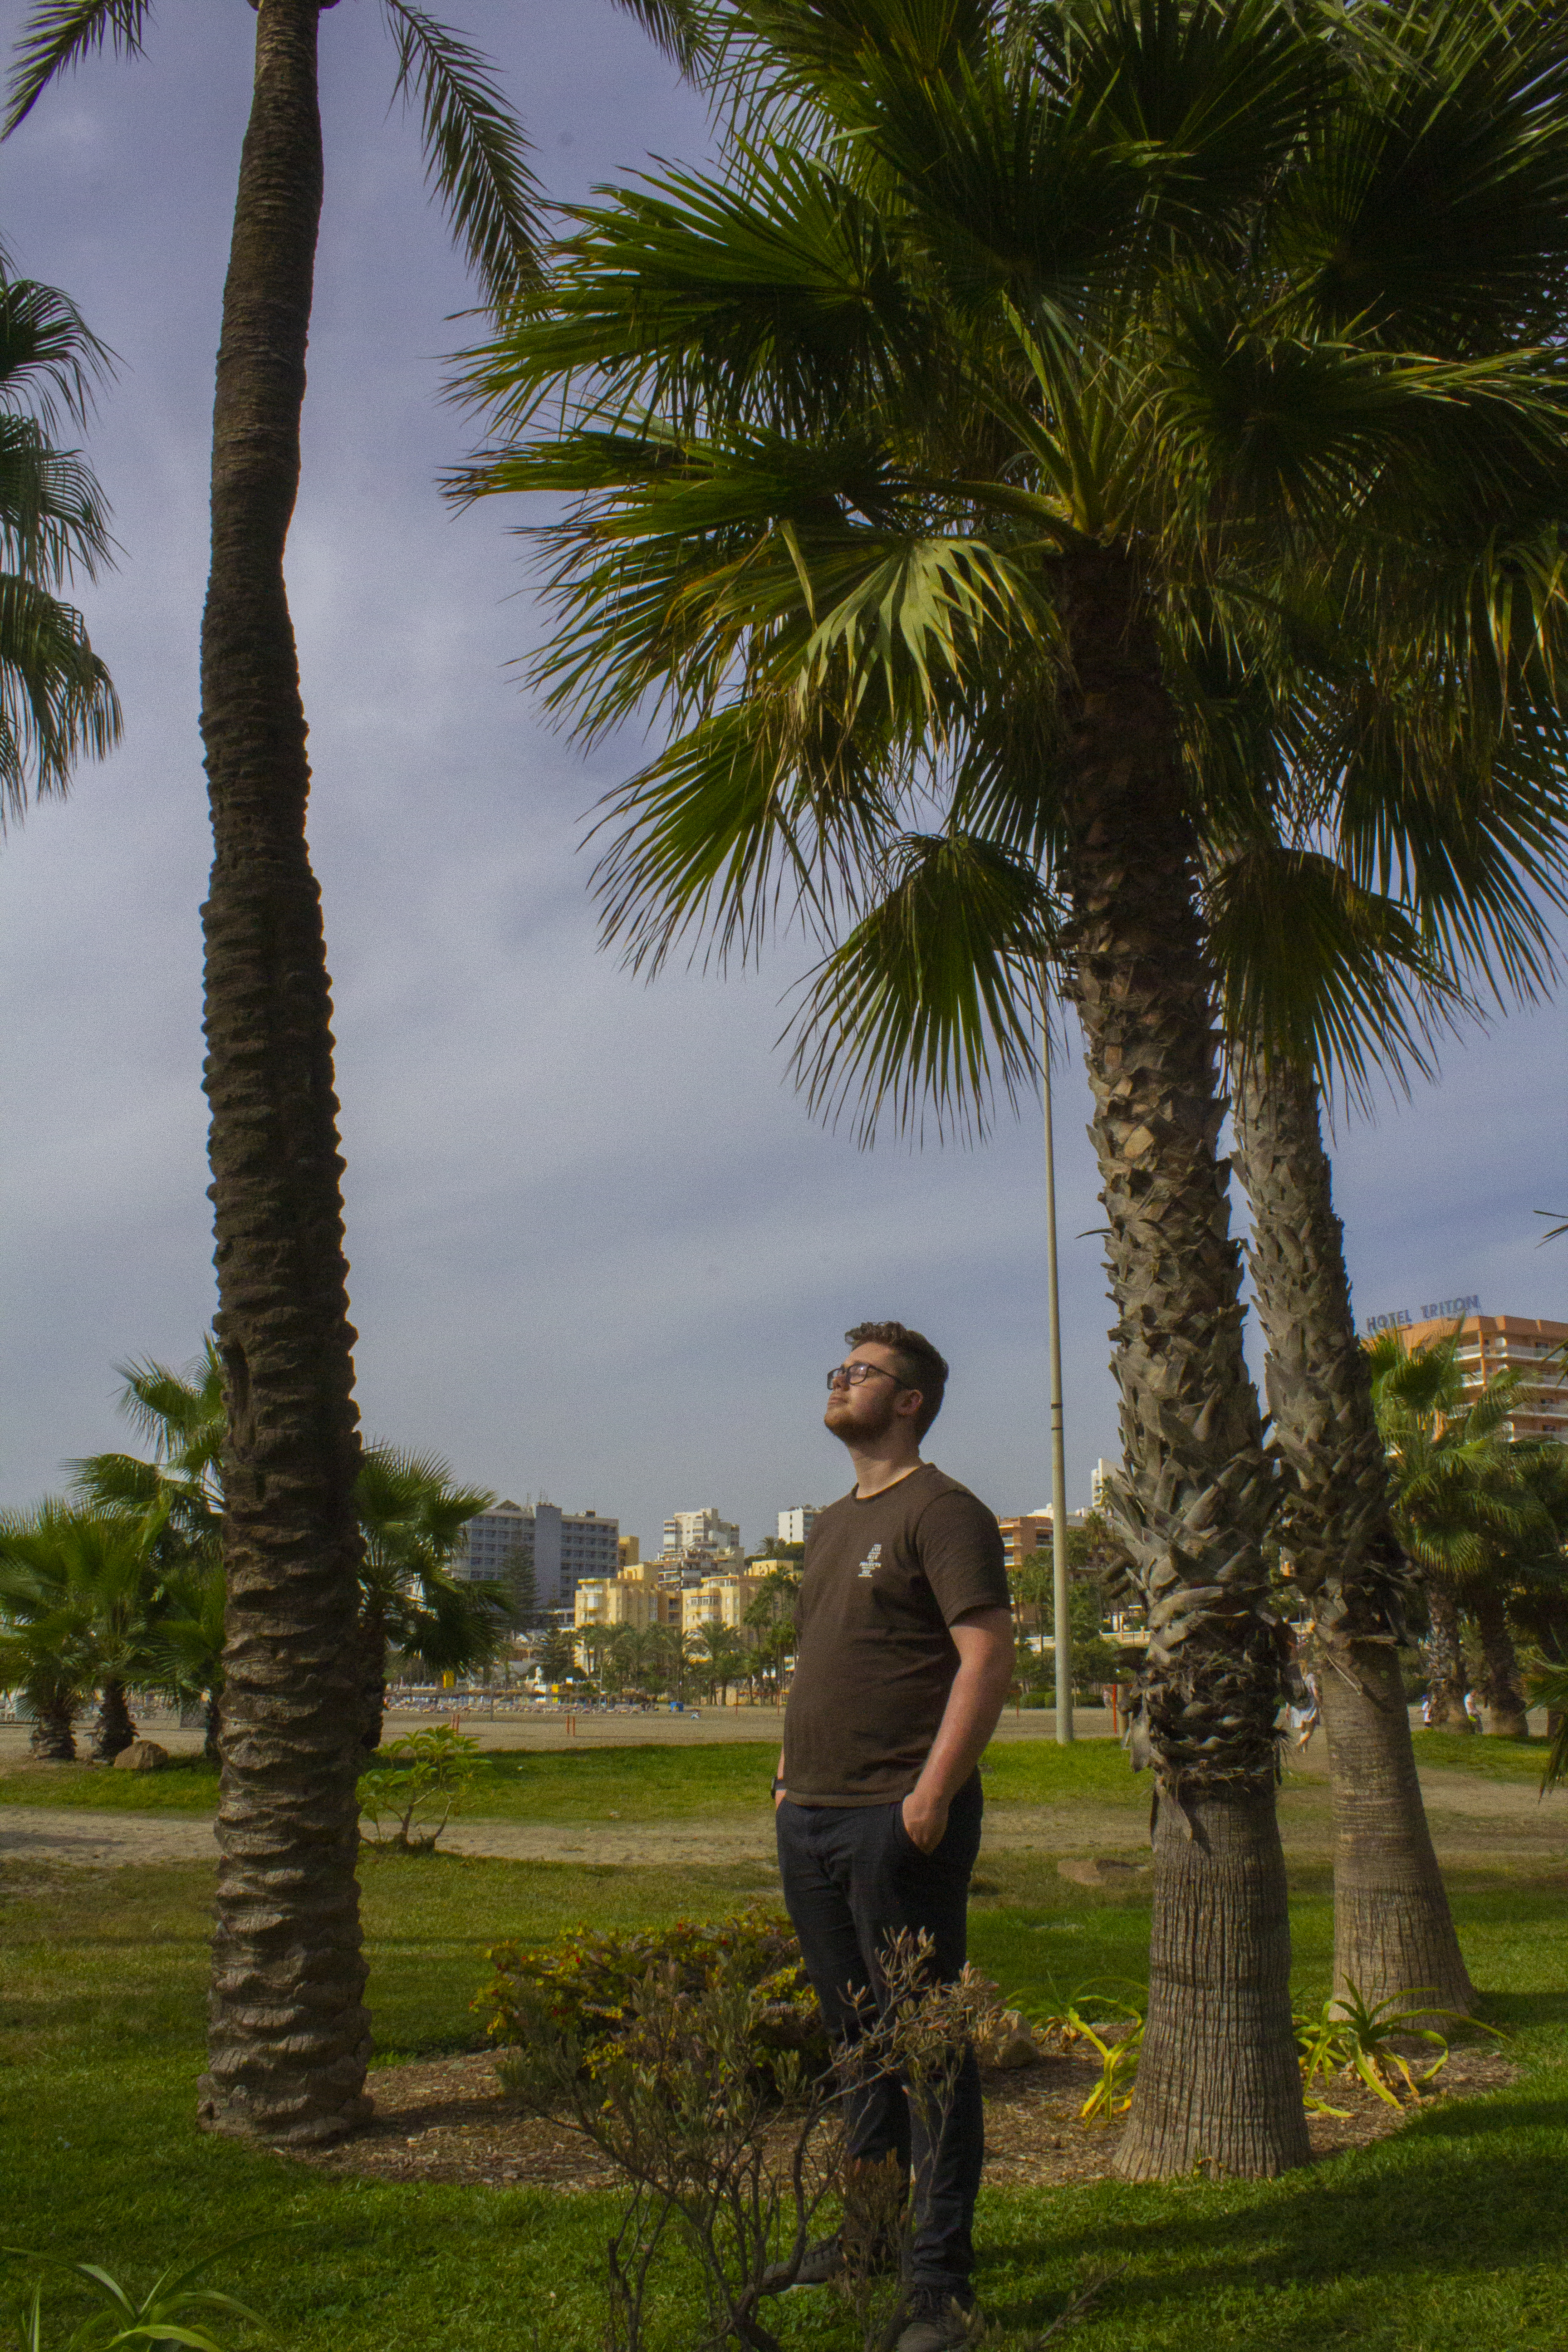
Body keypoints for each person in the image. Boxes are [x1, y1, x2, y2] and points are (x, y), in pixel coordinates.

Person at [767, 1320, 1014, 2352]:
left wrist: (930, 1796)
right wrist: (787, 1782)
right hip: (811, 1815)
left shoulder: (944, 1512)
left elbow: (988, 1657)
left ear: (908, 1400)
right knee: (858, 2045)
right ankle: (867, 2239)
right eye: (836, 1369)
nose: (839, 1382)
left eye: (860, 1373)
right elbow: (827, 1660)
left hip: (893, 1818)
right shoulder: (828, 1524)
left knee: (928, 2049)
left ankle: (936, 2283)